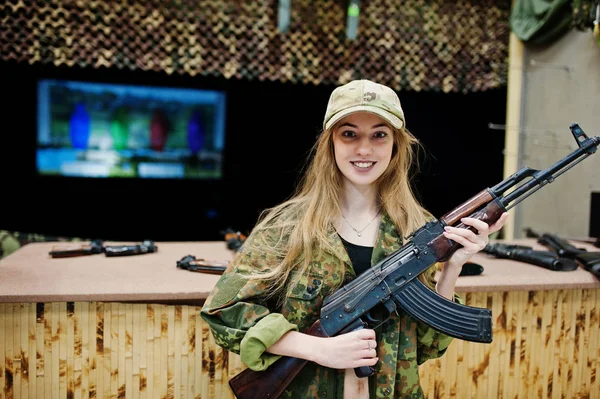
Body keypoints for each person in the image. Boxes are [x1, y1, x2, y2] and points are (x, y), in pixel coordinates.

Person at [200, 79, 508, 398]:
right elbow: (225, 311)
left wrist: (452, 269)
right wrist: (317, 348)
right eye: (349, 134)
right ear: (330, 142)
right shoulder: (287, 227)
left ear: (396, 145)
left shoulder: (416, 228)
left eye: (379, 135)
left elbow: (427, 347)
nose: (364, 149)